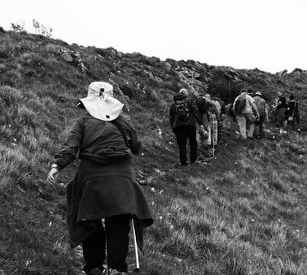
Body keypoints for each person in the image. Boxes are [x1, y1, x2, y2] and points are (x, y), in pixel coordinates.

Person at [46, 81, 153, 275]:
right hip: (122, 177)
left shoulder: (84, 122)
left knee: (91, 217)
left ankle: (94, 267)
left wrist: (56, 166)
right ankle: (117, 268)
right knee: (119, 221)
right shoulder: (124, 120)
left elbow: (71, 146)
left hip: (92, 178)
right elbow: (137, 147)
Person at [170, 88, 201, 166]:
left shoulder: (173, 105)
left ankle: (183, 162)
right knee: (193, 143)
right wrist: (199, 122)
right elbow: (196, 112)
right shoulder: (190, 102)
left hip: (178, 127)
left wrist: (173, 128)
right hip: (190, 125)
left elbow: (171, 118)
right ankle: (193, 160)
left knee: (182, 145)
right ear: (186, 95)